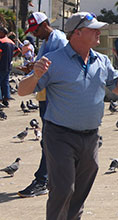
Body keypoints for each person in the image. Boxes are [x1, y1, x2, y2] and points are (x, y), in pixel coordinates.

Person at [17, 12, 118, 220]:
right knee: (63, 190)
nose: (99, 32)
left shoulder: (102, 60)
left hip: (91, 138)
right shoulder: (53, 60)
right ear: (77, 33)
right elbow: (22, 91)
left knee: (79, 194)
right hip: (60, 136)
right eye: (93, 29)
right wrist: (35, 74)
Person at [17, 12, 68, 198]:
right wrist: (32, 68)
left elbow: (63, 66)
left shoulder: (59, 40)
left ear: (45, 24)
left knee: (50, 139)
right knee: (51, 139)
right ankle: (53, 178)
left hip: (55, 98)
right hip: (46, 96)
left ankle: (43, 180)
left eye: (35, 29)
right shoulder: (47, 41)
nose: (34, 34)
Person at [0, 26, 14, 106]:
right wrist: (11, 57)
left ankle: (0, 99)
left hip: (1, 65)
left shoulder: (1, 42)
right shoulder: (11, 42)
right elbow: (18, 50)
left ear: (2, 32)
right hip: (8, 65)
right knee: (5, 83)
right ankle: (6, 99)